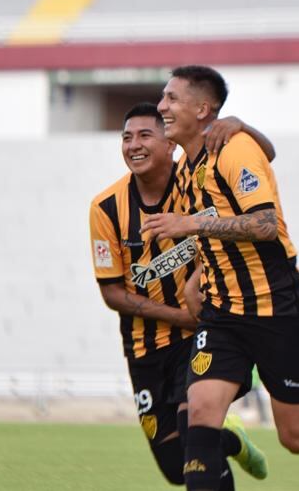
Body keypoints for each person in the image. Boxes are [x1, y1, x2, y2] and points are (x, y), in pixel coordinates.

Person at [141, 65, 299, 491]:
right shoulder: (186, 167)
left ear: (203, 109)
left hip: (279, 310)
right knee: (199, 414)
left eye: (171, 98)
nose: (161, 106)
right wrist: (196, 278)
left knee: (298, 438)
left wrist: (190, 226)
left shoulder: (235, 147)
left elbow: (263, 224)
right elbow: (218, 221)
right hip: (223, 316)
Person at [89, 103, 275, 487]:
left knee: (195, 440)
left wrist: (240, 125)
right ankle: (229, 439)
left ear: (170, 144)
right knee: (176, 469)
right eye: (127, 137)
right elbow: (112, 292)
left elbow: (266, 155)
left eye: (145, 135)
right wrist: (177, 316)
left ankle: (210, 434)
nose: (133, 145)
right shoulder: (105, 208)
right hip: (146, 347)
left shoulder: (197, 181)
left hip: (204, 334)